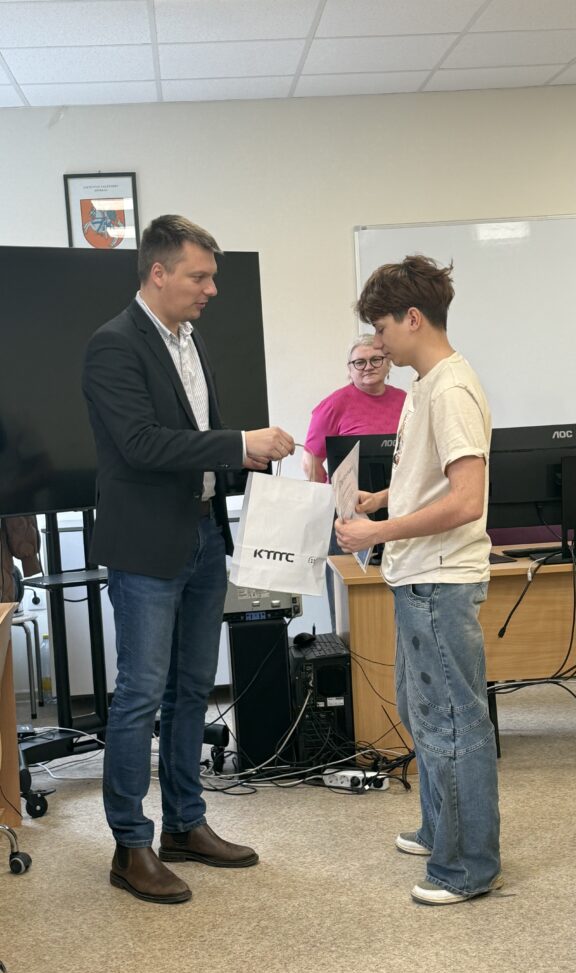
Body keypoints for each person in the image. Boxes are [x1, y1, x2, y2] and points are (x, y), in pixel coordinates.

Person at [82, 214, 294, 905]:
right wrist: (239, 443)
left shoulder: (190, 341)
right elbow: (142, 444)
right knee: (140, 694)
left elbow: (195, 435)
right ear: (158, 272)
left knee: (193, 690)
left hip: (203, 535)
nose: (211, 289)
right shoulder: (113, 345)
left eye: (212, 277)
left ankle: (185, 824)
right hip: (146, 546)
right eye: (200, 276)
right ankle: (130, 846)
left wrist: (246, 462)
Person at [335, 255, 501, 906]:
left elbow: (466, 500)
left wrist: (377, 532)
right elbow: (430, 480)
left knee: (453, 722)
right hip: (418, 576)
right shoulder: (427, 385)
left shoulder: (451, 388)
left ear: (412, 317)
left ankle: (467, 867)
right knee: (421, 712)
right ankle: (439, 830)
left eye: (381, 329)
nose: (377, 345)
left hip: (439, 580)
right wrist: (384, 498)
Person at [302, 335, 405, 627]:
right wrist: (335, 501)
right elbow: (311, 460)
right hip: (350, 514)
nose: (367, 367)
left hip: (401, 508)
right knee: (353, 609)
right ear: (349, 369)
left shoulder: (406, 401)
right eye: (359, 362)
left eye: (375, 360)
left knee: (401, 598)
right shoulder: (334, 404)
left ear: (388, 363)